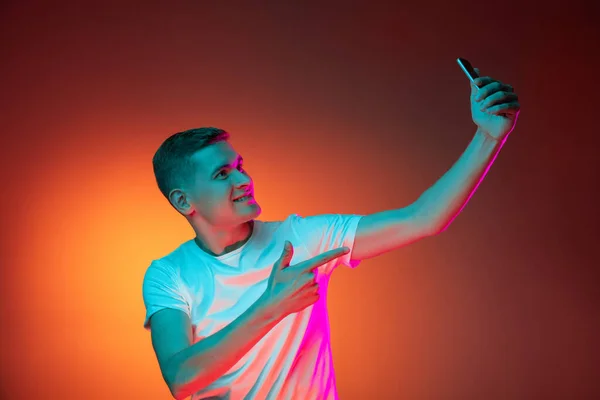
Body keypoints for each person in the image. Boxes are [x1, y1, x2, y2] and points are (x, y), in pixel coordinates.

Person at [142, 70, 520, 400]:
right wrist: (271, 307)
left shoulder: (304, 238)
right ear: (183, 201)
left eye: (240, 166)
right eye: (222, 175)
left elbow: (423, 218)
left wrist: (488, 138)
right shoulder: (169, 274)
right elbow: (181, 379)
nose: (244, 180)